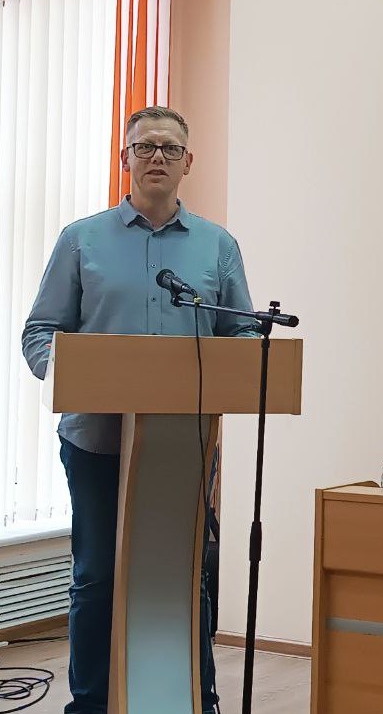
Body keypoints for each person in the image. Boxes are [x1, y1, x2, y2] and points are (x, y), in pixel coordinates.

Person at [21, 106, 258, 714]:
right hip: (96, 442)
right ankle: (90, 704)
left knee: (183, 575)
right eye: (145, 146)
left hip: (183, 446)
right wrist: (74, 376)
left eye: (170, 148)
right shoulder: (81, 239)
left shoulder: (218, 246)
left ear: (188, 162)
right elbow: (40, 334)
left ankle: (194, 698)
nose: (157, 157)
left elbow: (240, 337)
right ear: (124, 157)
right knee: (97, 575)